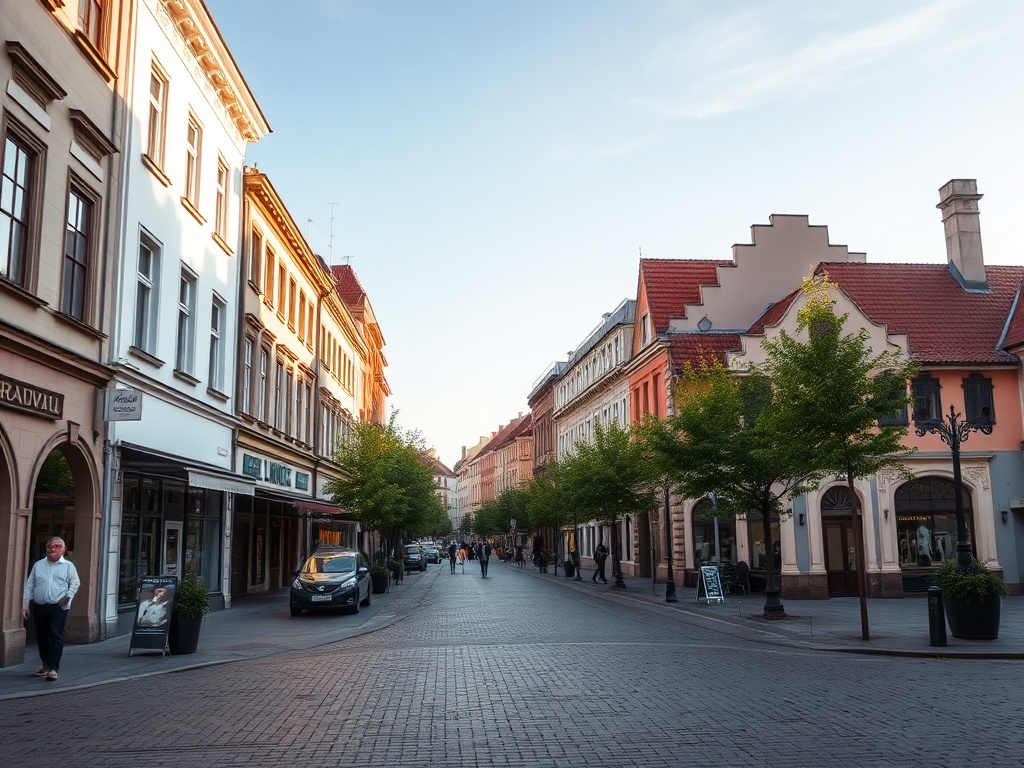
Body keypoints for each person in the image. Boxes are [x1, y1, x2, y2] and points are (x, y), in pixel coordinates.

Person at [22, 536, 80, 682]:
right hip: (40, 606)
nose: (52, 549)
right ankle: (45, 664)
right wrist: (25, 603)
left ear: (63, 549)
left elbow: (75, 582)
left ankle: (54, 668)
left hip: (58, 607)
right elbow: (30, 584)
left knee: (55, 634)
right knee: (42, 636)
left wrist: (67, 597)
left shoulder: (68, 566)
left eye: (57, 546)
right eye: (49, 546)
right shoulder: (39, 565)